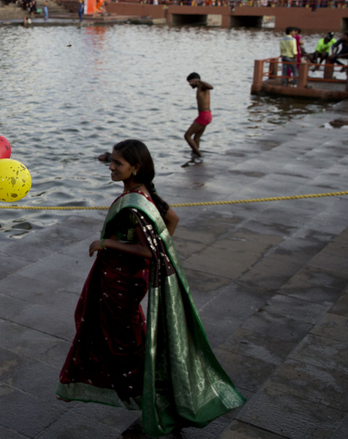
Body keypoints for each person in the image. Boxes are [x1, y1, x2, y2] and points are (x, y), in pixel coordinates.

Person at [57, 139, 243, 435]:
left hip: (123, 280)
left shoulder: (136, 205)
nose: (111, 167)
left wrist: (108, 243)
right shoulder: (143, 195)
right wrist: (149, 250)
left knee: (124, 340)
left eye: (118, 163)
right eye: (112, 161)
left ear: (136, 167)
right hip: (125, 276)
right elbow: (172, 219)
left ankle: (152, 391)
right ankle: (152, 387)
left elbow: (150, 251)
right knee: (120, 332)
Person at [184, 72, 213, 157]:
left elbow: (211, 87)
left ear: (195, 80)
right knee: (196, 137)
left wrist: (199, 81)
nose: (189, 84)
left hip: (204, 115)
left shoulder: (202, 86)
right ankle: (195, 155)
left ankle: (199, 155)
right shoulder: (200, 87)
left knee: (187, 136)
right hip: (207, 115)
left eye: (190, 82)